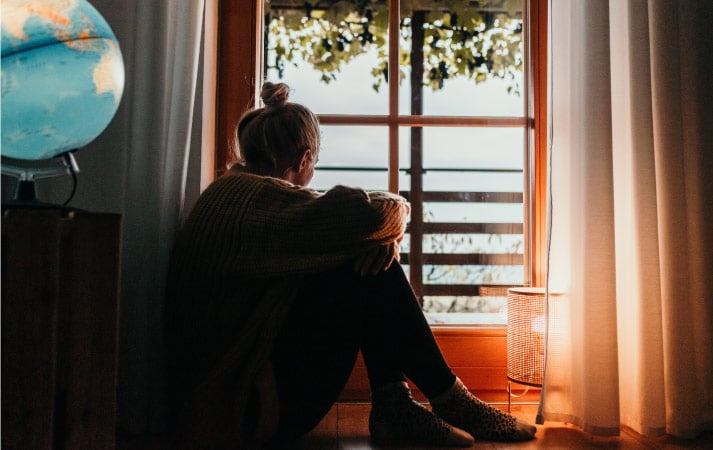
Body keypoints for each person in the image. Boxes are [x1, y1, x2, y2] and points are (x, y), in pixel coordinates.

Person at [165, 81, 537, 448]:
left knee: (359, 258)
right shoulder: (259, 200)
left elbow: (343, 224)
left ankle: (398, 404)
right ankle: (444, 399)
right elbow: (369, 212)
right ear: (304, 158)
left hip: (228, 396)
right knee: (362, 265)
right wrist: (380, 236)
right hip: (237, 411)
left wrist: (371, 242)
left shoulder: (232, 191)